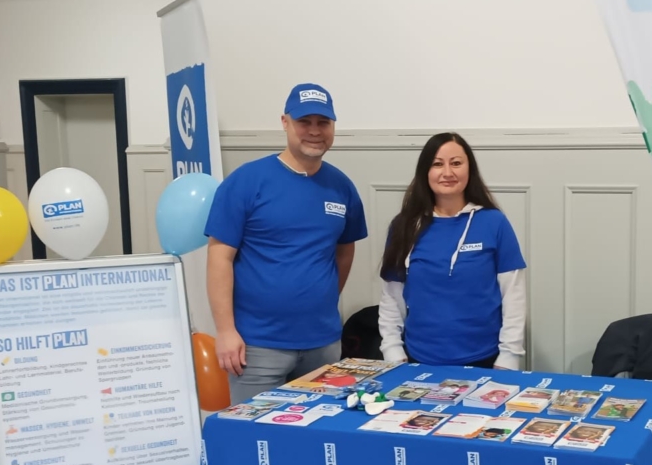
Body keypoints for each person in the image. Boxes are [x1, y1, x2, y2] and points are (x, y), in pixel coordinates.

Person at [204, 83, 367, 405]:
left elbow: (345, 249)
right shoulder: (247, 181)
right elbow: (219, 257)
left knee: (317, 441)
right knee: (256, 444)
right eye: (305, 121)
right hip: (257, 347)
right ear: (285, 122)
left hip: (323, 344)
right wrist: (225, 331)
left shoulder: (341, 187)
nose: (314, 131)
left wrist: (322, 297)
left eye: (324, 123)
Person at [378, 132, 527, 369]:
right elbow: (391, 296)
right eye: (437, 164)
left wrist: (509, 356)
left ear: (470, 169)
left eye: (456, 163)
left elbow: (514, 295)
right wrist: (393, 351)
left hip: (486, 359)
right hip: (417, 359)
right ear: (425, 171)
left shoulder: (494, 222)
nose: (447, 173)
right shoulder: (403, 226)